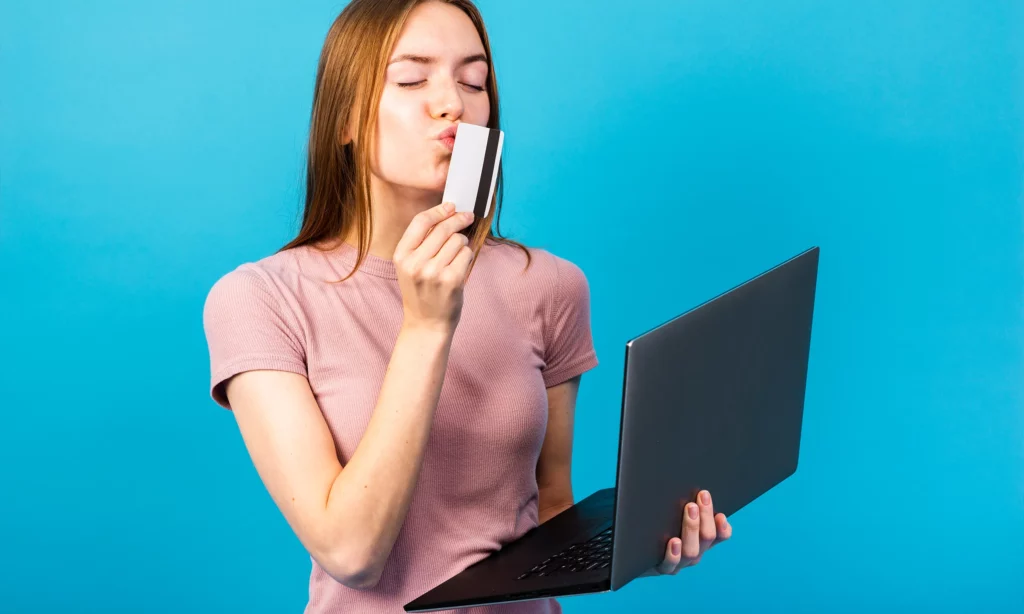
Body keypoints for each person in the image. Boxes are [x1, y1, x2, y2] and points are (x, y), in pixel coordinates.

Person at [202, 1, 732, 612]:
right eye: (411, 78)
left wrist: (641, 542)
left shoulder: (549, 285)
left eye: (472, 80)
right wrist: (427, 327)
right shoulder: (260, 299)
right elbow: (350, 552)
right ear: (344, 118)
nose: (452, 102)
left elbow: (552, 506)